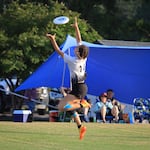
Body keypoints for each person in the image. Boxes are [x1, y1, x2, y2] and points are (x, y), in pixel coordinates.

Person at [46, 17, 91, 140]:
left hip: (78, 88)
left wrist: (53, 40)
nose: (75, 48)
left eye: (76, 49)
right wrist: (76, 27)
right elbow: (79, 40)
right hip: (81, 87)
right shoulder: (84, 58)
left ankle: (83, 104)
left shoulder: (73, 61)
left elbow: (58, 51)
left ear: (78, 53)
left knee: (61, 107)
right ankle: (80, 127)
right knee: (67, 107)